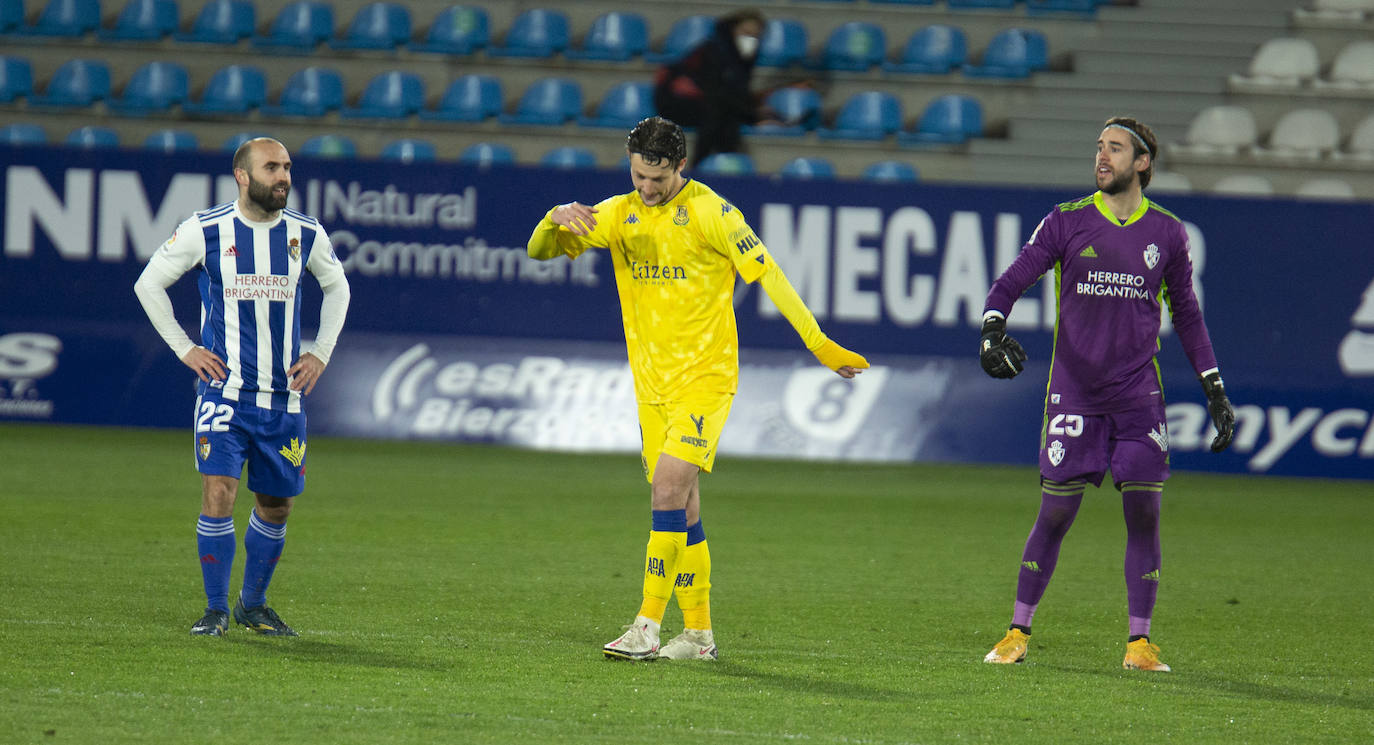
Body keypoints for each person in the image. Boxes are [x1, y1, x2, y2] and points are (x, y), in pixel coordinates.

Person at [527, 116, 868, 661]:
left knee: (666, 491)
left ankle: (646, 624)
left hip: (705, 381)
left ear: (680, 167)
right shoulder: (619, 214)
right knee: (681, 509)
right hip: (651, 388)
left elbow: (771, 275)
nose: (646, 188)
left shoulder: (713, 212)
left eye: (657, 179)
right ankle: (701, 636)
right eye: (638, 176)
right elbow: (539, 251)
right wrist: (553, 218)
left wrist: (820, 343)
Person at [978, 116, 1235, 672]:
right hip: (1073, 395)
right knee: (1054, 516)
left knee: (1145, 514)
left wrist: (1213, 387)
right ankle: (1017, 631)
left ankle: (1139, 644)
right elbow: (1013, 279)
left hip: (1138, 398)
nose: (1102, 156)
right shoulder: (1066, 221)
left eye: (1115, 149)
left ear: (1142, 162)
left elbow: (1187, 316)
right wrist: (992, 328)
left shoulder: (1166, 233)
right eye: (1099, 147)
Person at [133, 137, 351, 637]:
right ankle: (214, 609)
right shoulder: (205, 230)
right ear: (242, 175)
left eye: (288, 167)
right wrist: (185, 349)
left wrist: (320, 353)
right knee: (219, 493)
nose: (283, 176)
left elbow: (338, 287)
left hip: (284, 399)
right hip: (225, 396)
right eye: (271, 167)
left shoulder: (305, 232)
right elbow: (148, 284)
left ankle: (252, 605)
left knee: (277, 506)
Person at [652, 9, 773, 167]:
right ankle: (698, 167)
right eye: (746, 32)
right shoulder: (715, 51)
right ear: (733, 29)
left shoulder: (745, 57)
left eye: (755, 35)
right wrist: (753, 117)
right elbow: (717, 92)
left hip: (710, 103)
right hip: (676, 100)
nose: (750, 38)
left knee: (727, 117)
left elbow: (735, 92)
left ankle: (725, 166)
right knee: (717, 114)